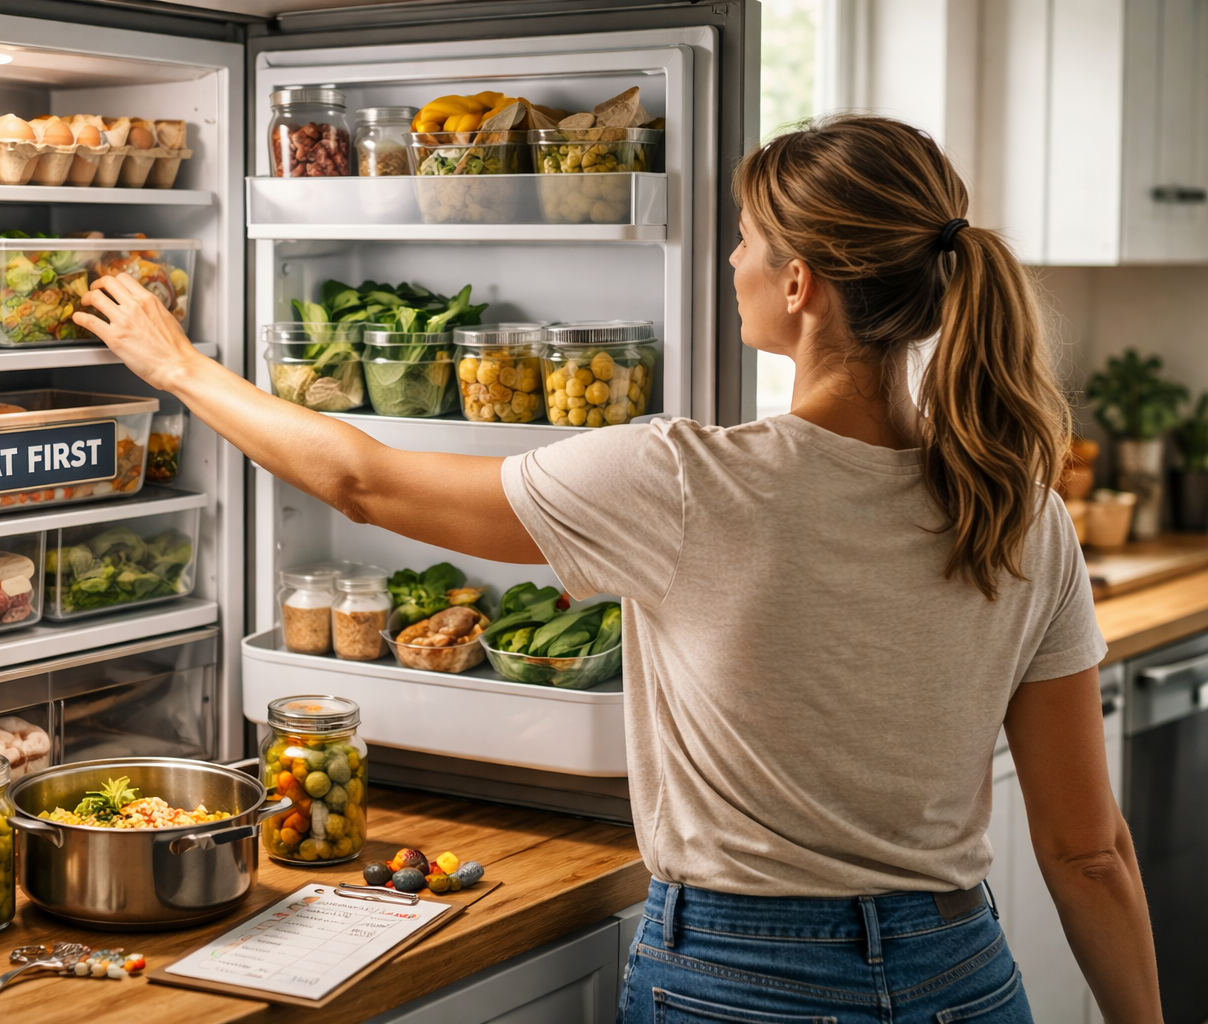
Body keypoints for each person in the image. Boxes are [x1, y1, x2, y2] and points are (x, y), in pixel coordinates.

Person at [75, 114, 1161, 1023]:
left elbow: (366, 481)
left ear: (800, 284)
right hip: (960, 974)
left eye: (740, 240)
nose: (726, 261)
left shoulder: (689, 482)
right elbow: (1088, 850)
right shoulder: (1017, 507)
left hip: (737, 979)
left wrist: (176, 365)